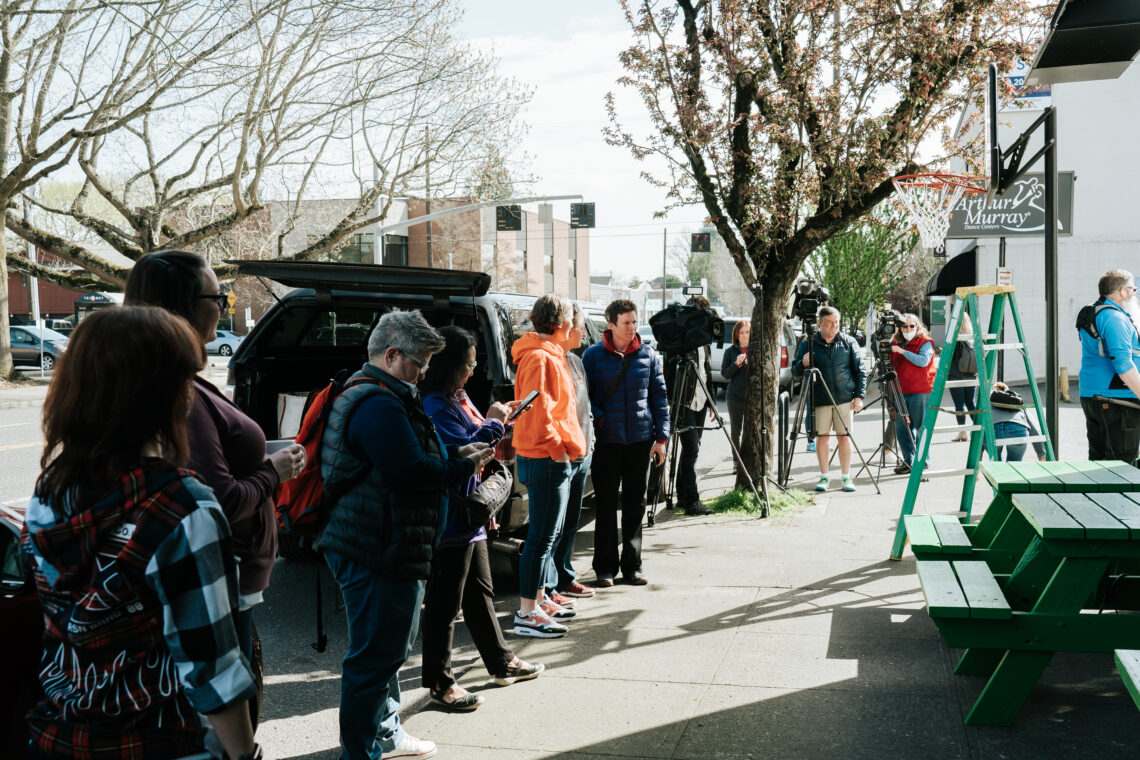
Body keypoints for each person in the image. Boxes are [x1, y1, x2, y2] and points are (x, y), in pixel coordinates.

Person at [21, 306, 259, 760]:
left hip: (58, 736)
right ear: (163, 394)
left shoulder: (50, 493)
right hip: (158, 742)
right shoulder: (184, 509)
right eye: (185, 380)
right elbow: (214, 670)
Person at [317, 310, 494, 760]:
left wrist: (456, 450)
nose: (425, 371)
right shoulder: (377, 402)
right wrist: (464, 464)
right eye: (419, 362)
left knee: (383, 653)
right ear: (392, 354)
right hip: (377, 548)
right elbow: (409, 471)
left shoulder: (381, 394)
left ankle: (387, 735)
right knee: (375, 659)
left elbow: (408, 453)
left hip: (380, 543)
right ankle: (360, 752)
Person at [124, 251, 305, 683]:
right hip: (219, 583)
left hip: (220, 579)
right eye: (218, 296)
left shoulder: (163, 382)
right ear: (182, 305)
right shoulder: (178, 394)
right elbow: (217, 502)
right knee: (232, 711)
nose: (224, 306)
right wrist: (273, 471)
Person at [419, 326, 544, 712]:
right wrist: (493, 420)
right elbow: (465, 451)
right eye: (467, 364)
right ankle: (441, 682)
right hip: (452, 517)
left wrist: (495, 421)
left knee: (479, 593)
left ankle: (501, 661)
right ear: (448, 366)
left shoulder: (455, 397)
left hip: (471, 516)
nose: (473, 372)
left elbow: (478, 437)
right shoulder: (434, 405)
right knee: (444, 605)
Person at [511, 294, 587, 637]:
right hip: (546, 458)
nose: (574, 327)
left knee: (546, 537)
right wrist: (558, 450)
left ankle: (538, 602)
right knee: (541, 539)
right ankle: (527, 614)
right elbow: (538, 413)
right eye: (571, 321)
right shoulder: (540, 357)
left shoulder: (546, 354)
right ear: (558, 325)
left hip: (548, 457)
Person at [583, 299, 669, 587]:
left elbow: (659, 398)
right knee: (605, 504)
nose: (632, 328)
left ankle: (633, 566)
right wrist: (601, 417)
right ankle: (605, 569)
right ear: (611, 325)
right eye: (626, 323)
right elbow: (586, 400)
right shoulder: (592, 357)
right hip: (606, 442)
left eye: (634, 321)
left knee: (635, 504)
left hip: (639, 441)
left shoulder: (648, 355)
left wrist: (661, 438)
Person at [544, 303, 600, 598]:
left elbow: (584, 405)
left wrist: (589, 440)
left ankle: (564, 576)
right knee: (554, 525)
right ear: (565, 327)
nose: (583, 333)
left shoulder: (576, 362)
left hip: (582, 452)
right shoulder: (550, 361)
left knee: (570, 524)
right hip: (562, 455)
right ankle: (549, 586)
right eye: (579, 327)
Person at [791, 306, 868, 492]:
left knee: (844, 438)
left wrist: (859, 396)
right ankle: (824, 476)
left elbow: (861, 370)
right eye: (830, 323)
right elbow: (795, 372)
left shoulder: (848, 342)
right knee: (823, 438)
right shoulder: (808, 343)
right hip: (820, 399)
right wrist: (803, 363)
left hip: (844, 399)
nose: (834, 326)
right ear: (820, 323)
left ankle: (845, 477)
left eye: (837, 322)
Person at [1078, 269, 1140, 462]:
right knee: (1120, 464)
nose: (1134, 294)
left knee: (1098, 461)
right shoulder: (1115, 319)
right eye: (1133, 289)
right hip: (1117, 399)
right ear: (1123, 291)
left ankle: (1096, 494)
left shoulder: (1091, 311)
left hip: (1092, 393)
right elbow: (1123, 363)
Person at [672, 295, 715, 515]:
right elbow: (671, 372)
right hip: (684, 401)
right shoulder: (681, 341)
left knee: (691, 450)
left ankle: (683, 495)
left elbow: (706, 373)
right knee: (691, 448)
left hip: (701, 401)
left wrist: (712, 403)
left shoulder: (704, 341)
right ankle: (692, 500)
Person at [889, 313, 937, 474]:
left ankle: (922, 461)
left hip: (921, 391)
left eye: (912, 326)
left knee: (921, 428)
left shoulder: (925, 342)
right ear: (899, 328)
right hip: (900, 390)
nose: (908, 329)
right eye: (904, 326)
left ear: (918, 326)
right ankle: (908, 461)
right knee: (902, 429)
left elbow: (923, 361)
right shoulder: (896, 342)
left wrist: (902, 352)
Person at [989, 382, 1047, 462]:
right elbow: (1034, 427)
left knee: (996, 464)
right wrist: (1041, 453)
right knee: (1014, 465)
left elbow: (979, 428)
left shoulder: (988, 404)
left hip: (994, 428)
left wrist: (976, 464)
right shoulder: (1017, 402)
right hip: (1018, 428)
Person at [721, 320, 750, 461]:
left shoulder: (756, 350)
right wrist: (736, 364)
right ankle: (736, 461)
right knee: (735, 431)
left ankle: (749, 461)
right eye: (741, 333)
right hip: (735, 397)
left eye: (747, 332)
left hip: (752, 397)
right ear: (736, 335)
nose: (744, 335)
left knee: (751, 431)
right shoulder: (730, 351)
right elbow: (725, 374)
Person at [948, 312, 977, 442]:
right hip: (971, 376)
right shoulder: (973, 338)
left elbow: (949, 358)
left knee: (959, 405)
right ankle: (980, 428)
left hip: (956, 375)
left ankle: (962, 432)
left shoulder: (955, 338)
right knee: (971, 403)